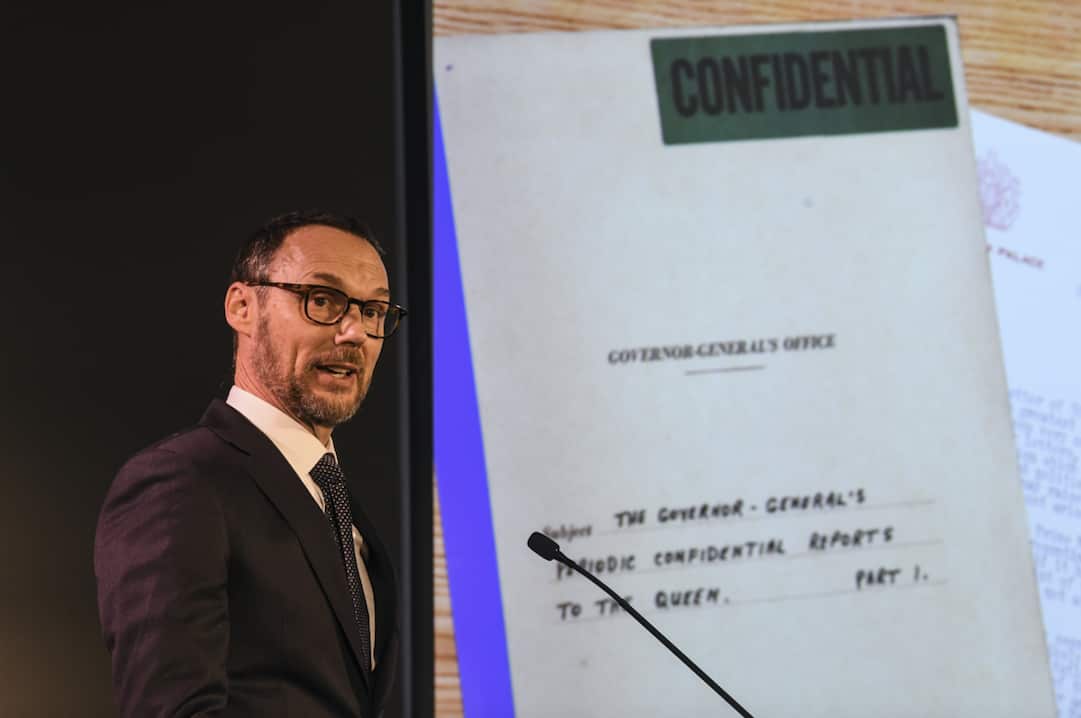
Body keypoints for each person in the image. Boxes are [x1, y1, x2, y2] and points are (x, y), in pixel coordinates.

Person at [94, 210, 406, 717]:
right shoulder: (181, 482)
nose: (354, 333)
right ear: (242, 306)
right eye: (322, 301)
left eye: (373, 311)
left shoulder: (335, 499)